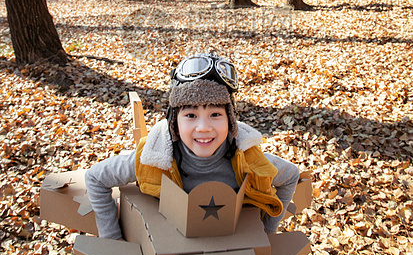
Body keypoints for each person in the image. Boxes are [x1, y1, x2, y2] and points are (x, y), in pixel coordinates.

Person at [85, 52, 300, 239]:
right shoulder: (153, 158)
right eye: (191, 115)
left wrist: (267, 232)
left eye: (215, 114)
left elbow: (290, 175)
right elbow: (95, 178)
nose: (204, 127)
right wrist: (112, 238)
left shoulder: (248, 160)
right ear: (174, 123)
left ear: (231, 121)